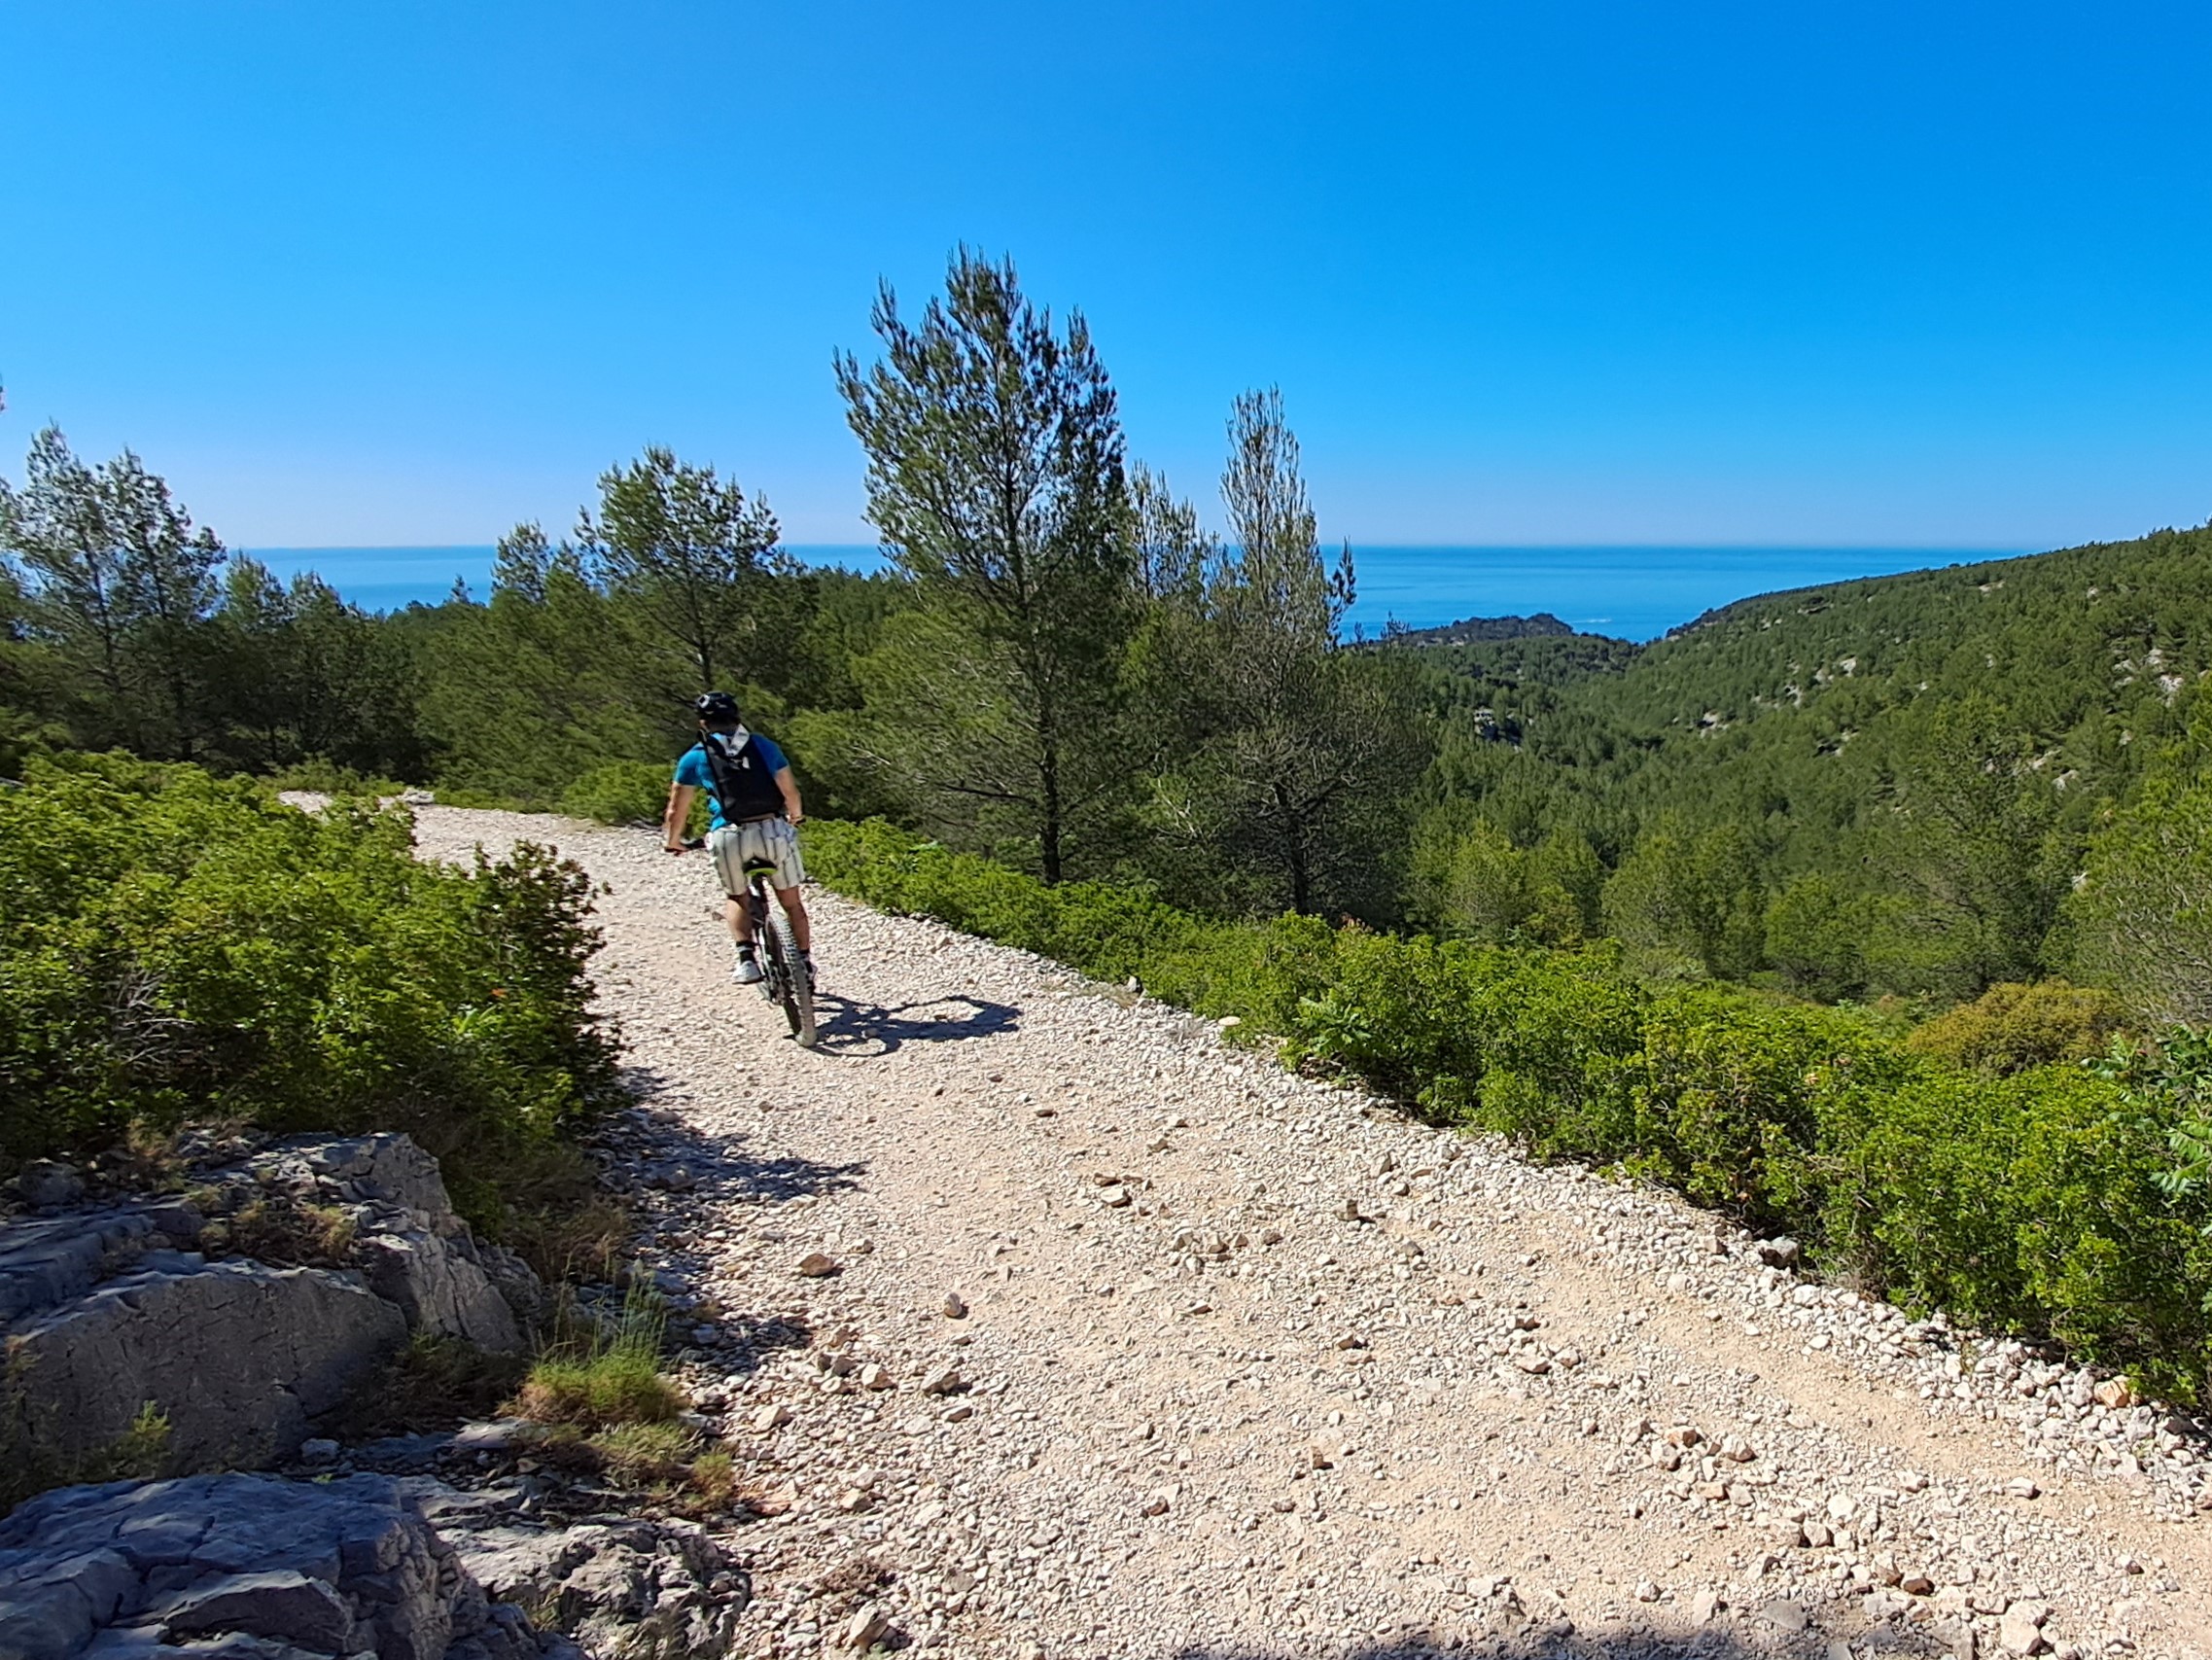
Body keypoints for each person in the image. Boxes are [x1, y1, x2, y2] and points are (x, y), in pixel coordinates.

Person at [663, 690, 814, 986]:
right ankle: (804, 964)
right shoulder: (763, 746)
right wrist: (795, 817)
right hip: (772, 830)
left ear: (703, 723)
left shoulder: (695, 756)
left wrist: (673, 840)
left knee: (737, 897)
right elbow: (790, 791)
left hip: (729, 834)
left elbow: (675, 810)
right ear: (737, 716)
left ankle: (747, 961)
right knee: (792, 904)